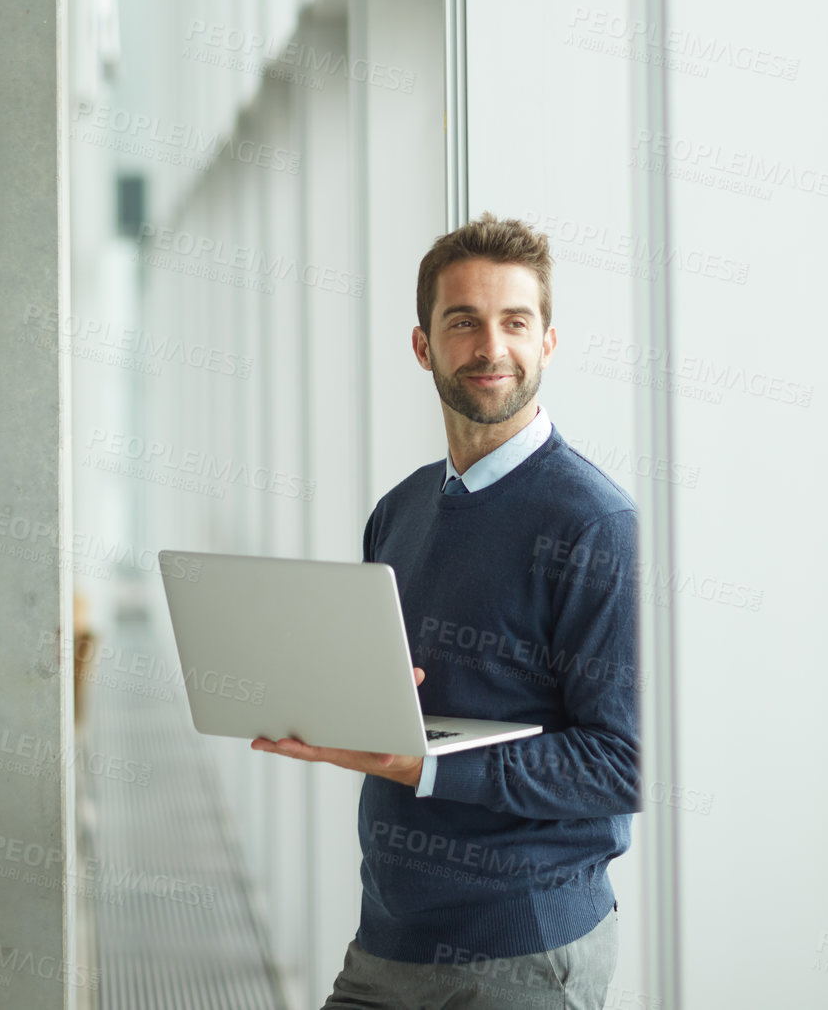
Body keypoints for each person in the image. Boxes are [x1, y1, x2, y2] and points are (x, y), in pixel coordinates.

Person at [251, 213, 640, 1009]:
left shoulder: (594, 524)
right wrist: (333, 700)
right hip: (388, 937)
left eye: (515, 323)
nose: (490, 347)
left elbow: (620, 763)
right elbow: (400, 703)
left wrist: (428, 763)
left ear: (548, 344)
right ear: (424, 345)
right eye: (464, 322)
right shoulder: (400, 511)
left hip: (523, 952)